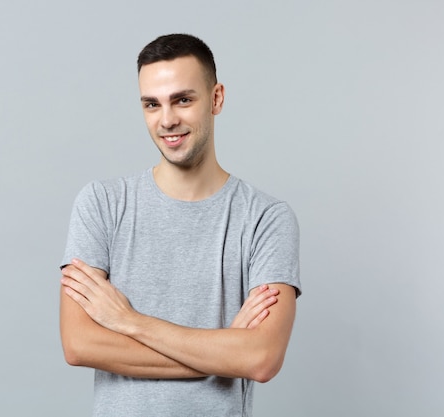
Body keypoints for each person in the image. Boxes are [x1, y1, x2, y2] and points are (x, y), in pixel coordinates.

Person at [59, 33, 301, 417]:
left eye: (183, 100)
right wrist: (224, 351)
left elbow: (261, 358)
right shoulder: (102, 204)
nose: (167, 119)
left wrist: (128, 322)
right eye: (151, 104)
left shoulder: (265, 218)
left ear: (216, 98)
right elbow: (79, 344)